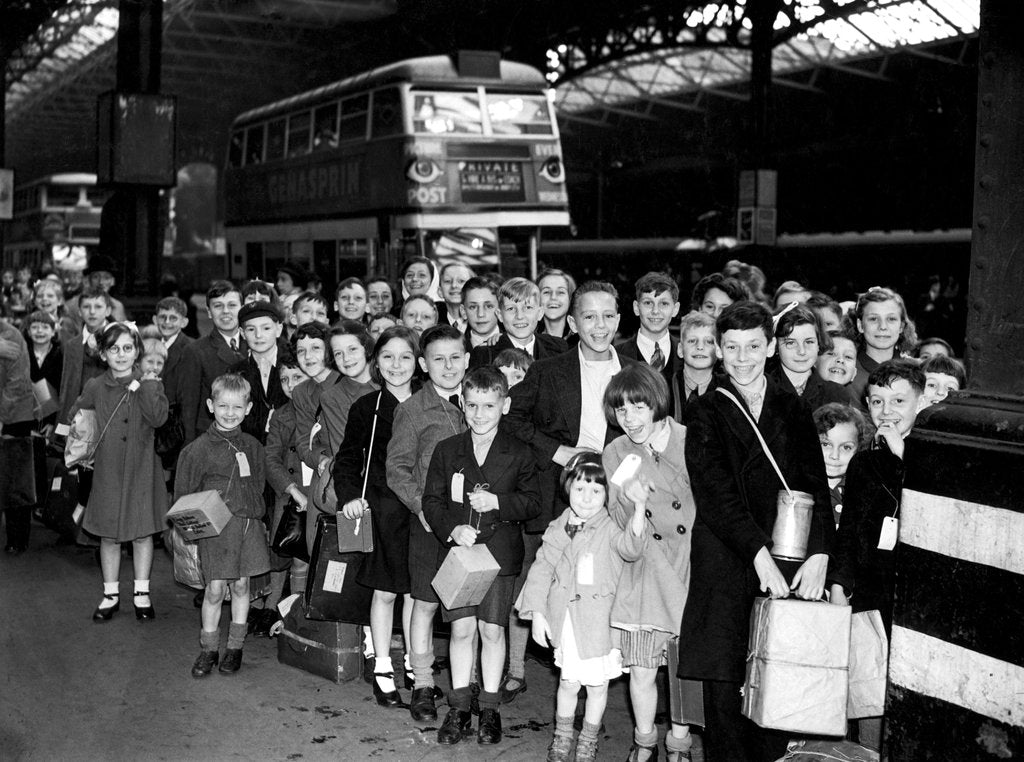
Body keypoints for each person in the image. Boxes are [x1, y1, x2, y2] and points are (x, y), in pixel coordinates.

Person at [679, 301, 833, 762]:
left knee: (777, 690)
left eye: (752, 346)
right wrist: (758, 554)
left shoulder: (794, 406)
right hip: (728, 560)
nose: (742, 358)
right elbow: (716, 495)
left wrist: (821, 554)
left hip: (788, 560)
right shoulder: (705, 409)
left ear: (769, 348)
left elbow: (814, 484)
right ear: (719, 352)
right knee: (726, 694)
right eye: (732, 347)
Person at [503, 281, 635, 704]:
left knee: (607, 579)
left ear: (619, 318)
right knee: (542, 575)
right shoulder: (547, 370)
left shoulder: (634, 371)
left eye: (608, 316)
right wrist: (558, 451)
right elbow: (513, 419)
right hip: (558, 491)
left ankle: (600, 669)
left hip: (616, 493)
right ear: (574, 322)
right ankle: (518, 670)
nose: (600, 325)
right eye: (589, 317)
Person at [422, 365, 541, 746]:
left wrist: (499, 503)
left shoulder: (520, 452)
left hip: (500, 555)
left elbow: (534, 502)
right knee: (460, 630)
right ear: (461, 403)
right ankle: (458, 707)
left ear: (504, 405)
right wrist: (450, 529)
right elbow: (432, 500)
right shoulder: (448, 449)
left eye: (488, 406)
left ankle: (489, 708)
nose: (479, 414)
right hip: (460, 556)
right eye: (472, 405)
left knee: (492, 630)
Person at [827, 360, 929, 751]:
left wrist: (904, 460)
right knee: (868, 685)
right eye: (878, 402)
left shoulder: (929, 458)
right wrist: (840, 583)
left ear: (920, 404)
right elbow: (850, 528)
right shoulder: (865, 463)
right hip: (871, 590)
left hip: (911, 593)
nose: (887, 412)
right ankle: (866, 753)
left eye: (899, 401)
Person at [602, 364, 701, 762]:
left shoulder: (691, 441)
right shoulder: (615, 453)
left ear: (657, 403)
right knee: (642, 669)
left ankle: (679, 743)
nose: (630, 420)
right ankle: (644, 742)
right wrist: (638, 504)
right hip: (645, 571)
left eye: (639, 408)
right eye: (621, 411)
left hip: (692, 568)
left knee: (684, 669)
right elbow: (620, 522)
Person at [517, 453, 645, 762]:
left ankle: (588, 740)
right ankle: (562, 737)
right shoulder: (561, 525)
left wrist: (639, 507)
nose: (586, 499)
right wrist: (537, 612)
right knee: (568, 682)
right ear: (567, 490)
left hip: (600, 624)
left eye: (596, 491)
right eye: (579, 489)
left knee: (598, 688)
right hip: (569, 623)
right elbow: (543, 566)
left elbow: (632, 548)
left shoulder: (612, 525)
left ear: (607, 494)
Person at [386, 323, 468, 723]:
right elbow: (397, 469)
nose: (448, 366)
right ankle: (421, 684)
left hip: (473, 526)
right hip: (429, 526)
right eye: (438, 359)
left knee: (466, 611)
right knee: (424, 604)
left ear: (467, 359)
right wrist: (420, 507)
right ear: (423, 364)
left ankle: (465, 690)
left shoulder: (480, 401)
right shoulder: (412, 410)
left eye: (456, 357)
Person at [335, 326, 421, 707]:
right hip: (382, 511)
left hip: (421, 512)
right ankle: (383, 665)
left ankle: (417, 666)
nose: (396, 365)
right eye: (387, 357)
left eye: (405, 357)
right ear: (376, 362)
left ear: (418, 362)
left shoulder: (431, 402)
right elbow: (349, 460)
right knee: (385, 592)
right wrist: (351, 497)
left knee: (418, 596)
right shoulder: (366, 408)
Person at [70, 323, 168, 620]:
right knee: (109, 535)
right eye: (114, 349)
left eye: (128, 348)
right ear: (102, 353)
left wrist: (150, 385)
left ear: (137, 351)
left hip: (141, 469)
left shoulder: (151, 383)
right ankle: (110, 593)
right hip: (107, 470)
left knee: (141, 534)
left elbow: (158, 418)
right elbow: (79, 416)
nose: (121, 354)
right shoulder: (95, 386)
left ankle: (142, 593)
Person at [175, 374, 270, 677]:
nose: (230, 413)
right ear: (210, 406)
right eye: (223, 405)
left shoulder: (253, 446)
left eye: (237, 407)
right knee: (214, 590)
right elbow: (183, 500)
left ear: (249, 408)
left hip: (247, 527)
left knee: (242, 585)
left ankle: (235, 647)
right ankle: (208, 649)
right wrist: (191, 534)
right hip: (216, 531)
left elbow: (258, 484)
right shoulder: (195, 451)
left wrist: (254, 514)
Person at [264, 356, 310, 618]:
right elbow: (270, 458)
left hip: (318, 490)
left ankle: (300, 613)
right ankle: (284, 614)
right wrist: (292, 490)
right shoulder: (281, 416)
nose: (290, 385)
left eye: (297, 377)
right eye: (284, 379)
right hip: (292, 493)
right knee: (291, 555)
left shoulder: (324, 406)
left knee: (310, 558)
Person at [179, 281, 247, 444]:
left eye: (232, 305)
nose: (225, 312)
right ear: (209, 312)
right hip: (211, 439)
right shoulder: (195, 351)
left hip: (251, 439)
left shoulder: (256, 344)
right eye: (218, 306)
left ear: (242, 308)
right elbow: (189, 407)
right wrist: (190, 449)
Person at [469, 277, 568, 368]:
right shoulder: (485, 355)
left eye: (528, 307)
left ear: (540, 313)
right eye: (511, 308)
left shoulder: (558, 348)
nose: (520, 316)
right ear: (499, 315)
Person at [0, 310, 37, 554]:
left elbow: (17, 382)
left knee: (14, 479)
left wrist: (1, 418)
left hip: (14, 414)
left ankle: (17, 538)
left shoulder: (11, 336)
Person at [770, 304, 853, 409]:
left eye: (809, 342)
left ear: (819, 343)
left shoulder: (835, 394)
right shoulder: (763, 388)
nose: (801, 351)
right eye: (790, 343)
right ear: (775, 346)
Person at [850, 286, 918, 405]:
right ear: (860, 325)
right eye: (873, 319)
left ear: (901, 326)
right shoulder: (848, 373)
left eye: (891, 319)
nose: (882, 326)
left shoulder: (916, 371)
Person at [616, 272, 681, 392]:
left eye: (664, 303)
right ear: (636, 308)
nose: (655, 311)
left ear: (675, 309)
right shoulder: (616, 356)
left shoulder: (687, 353)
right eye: (648, 303)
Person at [57, 286, 112, 427]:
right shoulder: (72, 345)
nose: (92, 312)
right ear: (80, 312)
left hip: (108, 415)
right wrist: (62, 428)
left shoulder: (119, 340)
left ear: (108, 311)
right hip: (76, 417)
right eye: (86, 307)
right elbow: (66, 389)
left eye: (98, 307)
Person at [813, 403, 874, 529]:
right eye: (825, 444)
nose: (835, 455)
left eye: (846, 447)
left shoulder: (861, 491)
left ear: (859, 450)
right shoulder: (803, 487)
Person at [673, 310, 718, 421]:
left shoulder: (726, 392)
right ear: (680, 350)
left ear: (719, 350)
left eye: (709, 342)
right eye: (692, 341)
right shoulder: (664, 387)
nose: (700, 347)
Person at [24, 310, 63, 431]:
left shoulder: (62, 356)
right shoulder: (22, 354)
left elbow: (63, 390)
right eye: (35, 327)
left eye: (45, 327)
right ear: (29, 332)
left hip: (51, 419)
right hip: (24, 418)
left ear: (53, 332)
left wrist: (53, 422)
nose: (39, 331)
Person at [462, 276, 502, 349]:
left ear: (500, 310)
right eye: (473, 307)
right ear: (463, 312)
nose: (480, 314)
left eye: (489, 306)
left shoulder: (515, 343)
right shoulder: (456, 347)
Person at [537, 268, 577, 341]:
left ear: (570, 298)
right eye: (546, 292)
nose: (553, 297)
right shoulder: (529, 343)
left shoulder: (583, 343)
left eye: (560, 292)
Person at [438, 262, 474, 331]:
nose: (454, 285)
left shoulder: (486, 323)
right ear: (440, 291)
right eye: (448, 281)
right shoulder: (432, 323)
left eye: (461, 281)